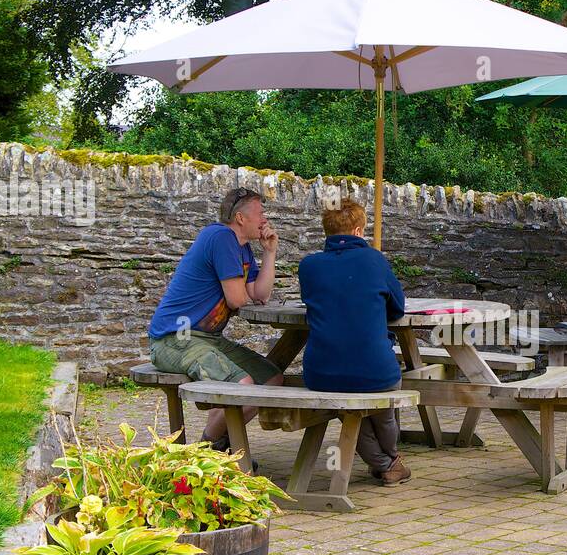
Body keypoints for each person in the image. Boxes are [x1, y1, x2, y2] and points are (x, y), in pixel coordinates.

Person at [147, 187, 284, 451]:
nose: (264, 219)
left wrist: (269, 252)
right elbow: (237, 299)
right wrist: (245, 292)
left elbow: (260, 294)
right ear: (241, 218)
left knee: (271, 381)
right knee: (243, 387)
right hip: (174, 339)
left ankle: (213, 450)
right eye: (260, 213)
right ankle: (206, 450)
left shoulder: (243, 250)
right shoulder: (221, 237)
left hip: (207, 339)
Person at [298, 199, 411, 485]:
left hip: (321, 372)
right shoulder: (374, 259)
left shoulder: (309, 266)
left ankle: (387, 464)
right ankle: (389, 461)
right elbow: (397, 308)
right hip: (376, 370)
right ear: (359, 230)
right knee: (383, 407)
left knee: (346, 405)